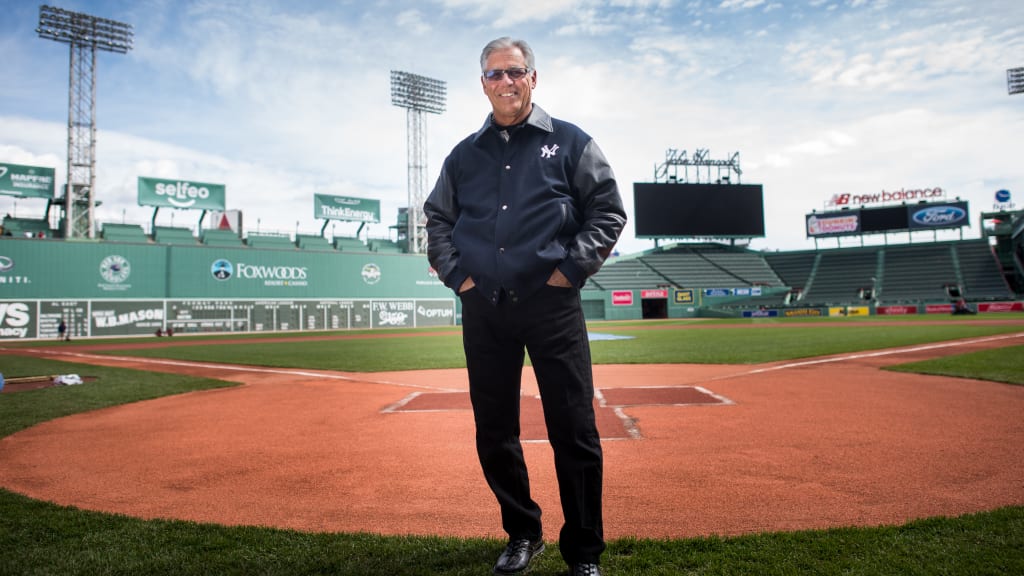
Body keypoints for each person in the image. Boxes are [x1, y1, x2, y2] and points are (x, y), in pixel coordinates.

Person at [424, 37, 626, 576]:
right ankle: (522, 533)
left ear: (533, 78)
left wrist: (568, 273)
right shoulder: (463, 156)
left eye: (515, 71)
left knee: (574, 429)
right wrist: (460, 279)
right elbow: (437, 220)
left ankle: (584, 551)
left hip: (551, 304)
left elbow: (607, 211)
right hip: (485, 307)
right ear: (482, 84)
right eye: (494, 74)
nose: (505, 82)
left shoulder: (571, 142)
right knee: (494, 431)